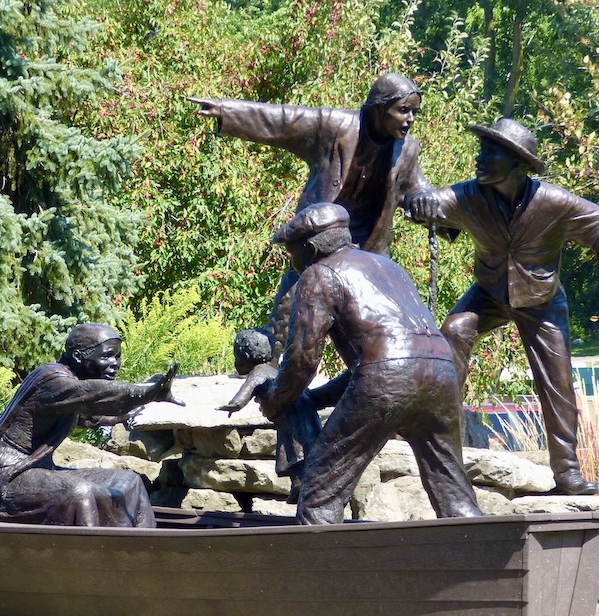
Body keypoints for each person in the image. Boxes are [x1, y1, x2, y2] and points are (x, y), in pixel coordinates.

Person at [407, 118, 599, 495]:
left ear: (517, 163)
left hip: (542, 300)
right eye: (481, 149)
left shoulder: (554, 203)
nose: (479, 158)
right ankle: (442, 443)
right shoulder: (469, 196)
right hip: (489, 292)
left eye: (489, 152)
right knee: (453, 332)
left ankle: (567, 473)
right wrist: (420, 200)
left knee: (557, 382)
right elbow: (429, 202)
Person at [255, 203, 483, 525]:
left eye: (293, 256)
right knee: (454, 491)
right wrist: (316, 398)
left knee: (320, 490)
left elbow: (302, 362)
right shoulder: (389, 268)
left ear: (309, 249)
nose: (294, 266)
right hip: (442, 373)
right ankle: (480, 547)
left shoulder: (319, 274)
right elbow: (395, 359)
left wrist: (276, 397)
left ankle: (321, 556)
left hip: (387, 380)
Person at [188, 73, 435, 358]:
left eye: (414, 112)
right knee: (292, 306)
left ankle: (374, 370)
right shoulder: (334, 127)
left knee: (375, 325)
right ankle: (269, 361)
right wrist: (227, 111)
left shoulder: (407, 150)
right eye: (403, 110)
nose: (410, 119)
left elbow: (417, 189)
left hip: (369, 250)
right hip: (322, 238)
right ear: (379, 108)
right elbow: (282, 120)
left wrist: (428, 203)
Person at [0, 323, 184, 527]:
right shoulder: (51, 379)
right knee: (79, 492)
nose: (115, 364)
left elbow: (87, 417)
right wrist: (146, 393)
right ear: (78, 356)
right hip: (2, 478)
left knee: (129, 481)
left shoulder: (69, 386)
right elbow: (91, 394)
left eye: (117, 357)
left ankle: (144, 548)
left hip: (38, 470)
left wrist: (123, 416)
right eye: (107, 356)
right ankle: (92, 553)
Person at [218, 328, 322, 503]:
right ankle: (300, 487)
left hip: (291, 421)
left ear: (246, 356)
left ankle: (300, 487)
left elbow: (249, 388)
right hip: (302, 415)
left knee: (293, 454)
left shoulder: (259, 372)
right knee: (301, 454)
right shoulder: (274, 370)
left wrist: (234, 405)